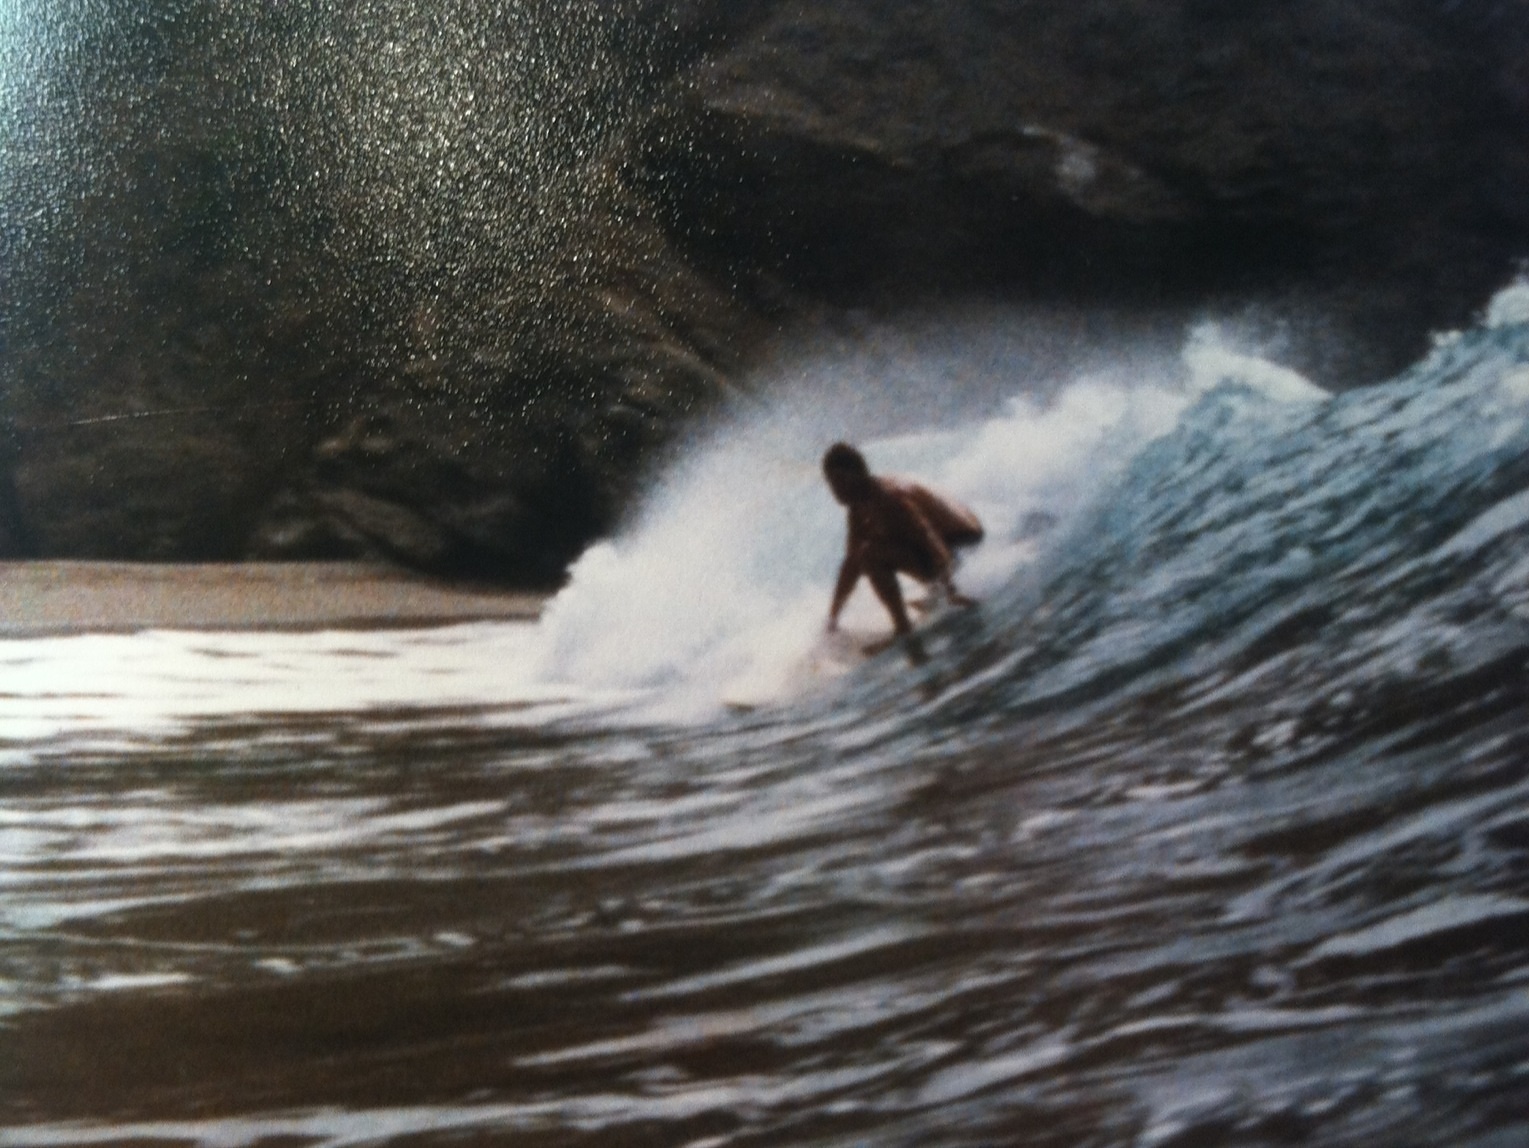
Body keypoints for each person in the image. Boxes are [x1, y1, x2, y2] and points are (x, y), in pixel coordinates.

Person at [822, 441, 983, 637]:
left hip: (964, 541)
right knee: (864, 552)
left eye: (839, 480)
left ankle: (903, 627)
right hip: (954, 543)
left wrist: (950, 591)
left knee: (870, 554)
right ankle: (931, 596)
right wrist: (833, 618)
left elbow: (927, 536)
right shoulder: (859, 506)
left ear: (857, 474)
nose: (835, 489)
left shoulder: (887, 497)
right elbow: (851, 563)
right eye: (830, 482)